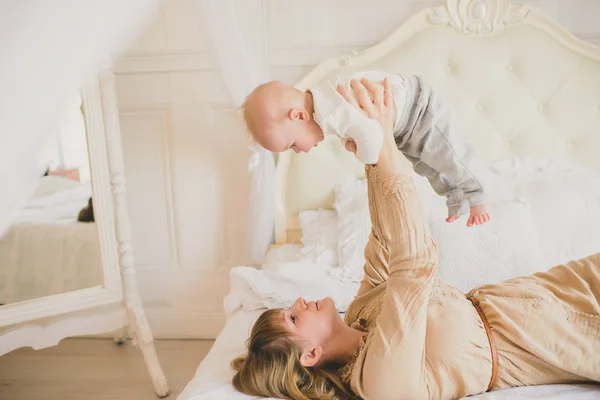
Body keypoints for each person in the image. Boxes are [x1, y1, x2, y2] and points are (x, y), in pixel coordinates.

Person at [232, 78, 600, 400]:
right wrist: (386, 148)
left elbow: (386, 243)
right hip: (552, 338)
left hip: (549, 288)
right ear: (309, 355)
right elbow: (413, 267)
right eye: (293, 318)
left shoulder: (360, 314)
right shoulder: (377, 383)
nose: (298, 301)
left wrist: (371, 142)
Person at [241, 72, 490, 227]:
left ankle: (478, 194)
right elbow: (363, 127)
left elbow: (372, 137)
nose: (298, 151)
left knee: (451, 156)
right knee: (426, 165)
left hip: (419, 110)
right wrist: (355, 140)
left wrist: (362, 151)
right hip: (404, 128)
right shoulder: (326, 107)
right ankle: (456, 198)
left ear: (298, 116)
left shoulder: (333, 111)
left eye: (292, 145)